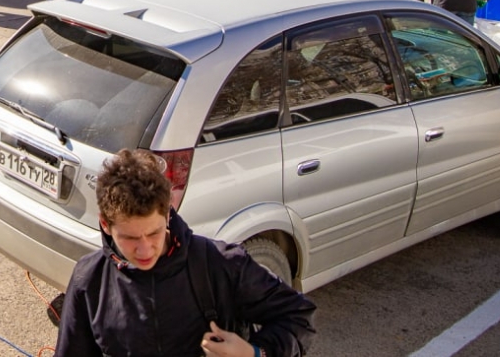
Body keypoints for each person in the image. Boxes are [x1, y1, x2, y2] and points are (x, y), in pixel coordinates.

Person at [54, 149, 316, 357]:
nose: (145, 249)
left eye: (153, 233)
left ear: (168, 214)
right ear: (104, 224)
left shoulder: (220, 264)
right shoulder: (89, 280)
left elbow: (298, 317)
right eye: (130, 238)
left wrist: (255, 353)